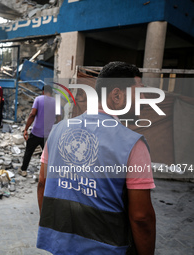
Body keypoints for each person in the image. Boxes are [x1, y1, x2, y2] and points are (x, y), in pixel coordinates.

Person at [37, 62, 156, 254]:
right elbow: (141, 217)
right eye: (139, 92)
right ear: (116, 95)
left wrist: (54, 229)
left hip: (60, 245)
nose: (143, 98)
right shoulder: (134, 145)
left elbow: (42, 183)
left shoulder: (58, 130)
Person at [18, 85, 56, 177]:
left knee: (29, 152)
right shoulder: (56, 102)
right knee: (48, 155)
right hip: (48, 134)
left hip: (36, 132)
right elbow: (59, 118)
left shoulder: (38, 99)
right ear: (51, 93)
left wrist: (26, 129)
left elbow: (32, 114)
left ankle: (23, 170)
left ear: (43, 91)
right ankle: (49, 173)